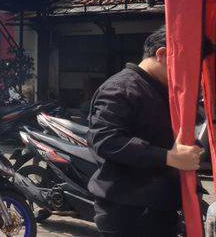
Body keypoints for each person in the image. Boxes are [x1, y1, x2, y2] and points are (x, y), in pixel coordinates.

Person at [87, 26, 203, 236]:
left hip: (157, 207)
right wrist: (169, 157)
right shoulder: (119, 88)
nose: (190, 74)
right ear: (162, 54)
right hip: (129, 211)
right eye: (187, 64)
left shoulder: (162, 90)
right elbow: (104, 139)